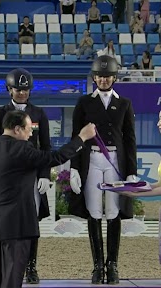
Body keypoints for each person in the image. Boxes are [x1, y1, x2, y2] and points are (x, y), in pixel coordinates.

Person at [0, 110, 96, 288]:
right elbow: (55, 157)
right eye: (28, 128)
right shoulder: (22, 149)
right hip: (17, 227)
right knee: (11, 280)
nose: (31, 133)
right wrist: (81, 138)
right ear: (17, 129)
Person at [69, 55, 138, 285]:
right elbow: (75, 137)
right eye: (99, 75)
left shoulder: (125, 103)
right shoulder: (84, 103)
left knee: (113, 211)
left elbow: (129, 139)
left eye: (107, 76)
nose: (103, 79)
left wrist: (131, 171)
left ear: (114, 77)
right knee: (94, 211)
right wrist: (75, 168)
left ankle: (113, 265)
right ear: (94, 77)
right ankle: (97, 266)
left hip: (115, 162)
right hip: (92, 160)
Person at [0, 68, 51, 284]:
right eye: (18, 89)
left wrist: (44, 174)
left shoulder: (39, 113)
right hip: (7, 176)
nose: (22, 93)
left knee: (30, 221)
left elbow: (46, 147)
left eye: (25, 89)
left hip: (31, 176)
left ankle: (31, 265)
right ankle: (7, 266)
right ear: (9, 90)